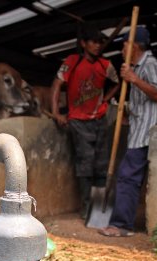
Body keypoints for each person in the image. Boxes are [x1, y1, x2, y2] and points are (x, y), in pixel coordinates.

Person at [99, 26, 157, 237]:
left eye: (125, 43)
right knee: (130, 176)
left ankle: (121, 225)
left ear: (135, 46)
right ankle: (122, 221)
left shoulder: (150, 64)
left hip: (145, 132)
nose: (122, 47)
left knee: (128, 176)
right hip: (138, 128)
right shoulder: (138, 66)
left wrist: (133, 79)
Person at [51, 24, 120, 219]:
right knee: (85, 164)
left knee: (102, 164)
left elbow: (117, 83)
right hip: (78, 122)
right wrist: (57, 112)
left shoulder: (105, 65)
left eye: (100, 42)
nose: (98, 46)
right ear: (84, 43)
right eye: (94, 42)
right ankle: (86, 208)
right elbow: (57, 84)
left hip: (100, 120)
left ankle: (99, 211)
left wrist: (105, 100)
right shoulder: (72, 62)